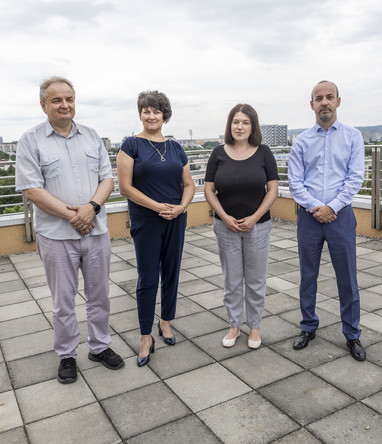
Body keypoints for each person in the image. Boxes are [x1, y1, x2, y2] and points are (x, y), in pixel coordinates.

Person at [15, 76, 124, 384]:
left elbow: (107, 179)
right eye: (57, 100)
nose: (65, 105)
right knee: (63, 301)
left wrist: (92, 208)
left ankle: (100, 347)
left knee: (99, 295)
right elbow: (32, 190)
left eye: (69, 99)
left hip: (96, 231)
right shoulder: (30, 140)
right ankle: (66, 354)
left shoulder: (92, 136)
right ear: (43, 105)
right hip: (56, 236)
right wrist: (74, 216)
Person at [288, 80, 366, 361]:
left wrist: (331, 207)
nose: (324, 102)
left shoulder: (353, 137)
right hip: (309, 219)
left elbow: (355, 178)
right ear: (312, 104)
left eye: (329, 97)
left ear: (338, 101)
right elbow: (295, 183)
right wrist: (316, 208)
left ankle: (352, 334)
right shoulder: (301, 140)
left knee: (347, 279)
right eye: (318, 98)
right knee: (308, 277)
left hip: (341, 217)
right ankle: (308, 327)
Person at [117, 90, 195, 367]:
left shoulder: (175, 148)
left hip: (176, 218)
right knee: (148, 277)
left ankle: (166, 322)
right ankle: (145, 336)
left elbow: (189, 184)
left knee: (172, 272)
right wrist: (157, 206)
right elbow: (126, 187)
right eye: (146, 111)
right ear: (140, 114)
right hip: (146, 219)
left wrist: (181, 207)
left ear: (165, 115)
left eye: (156, 111)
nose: (151, 115)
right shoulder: (131, 145)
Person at [204, 104, 279, 349]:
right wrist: (224, 216)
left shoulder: (263, 152)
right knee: (232, 280)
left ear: (253, 126)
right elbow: (208, 189)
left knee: (256, 280)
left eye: (245, 122)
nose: (240, 126)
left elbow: (273, 190)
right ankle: (234, 325)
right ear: (230, 125)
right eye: (236, 122)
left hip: (257, 226)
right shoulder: (218, 153)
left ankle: (254, 328)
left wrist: (255, 217)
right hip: (226, 226)